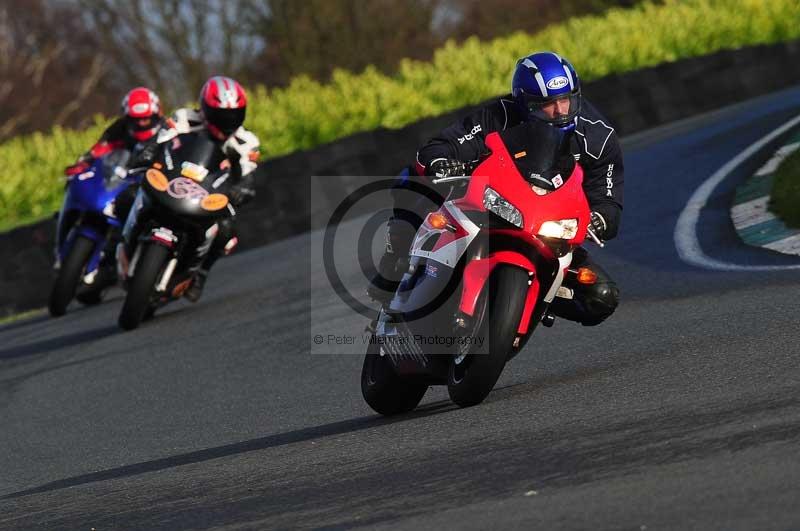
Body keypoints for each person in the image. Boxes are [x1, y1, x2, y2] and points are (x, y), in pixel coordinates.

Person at [369, 51, 622, 326]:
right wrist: (441, 162)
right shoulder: (496, 116)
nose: (560, 110)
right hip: (488, 208)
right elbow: (441, 146)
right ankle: (395, 261)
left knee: (601, 296)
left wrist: (601, 218)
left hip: (546, 228)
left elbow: (607, 194)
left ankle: (529, 305)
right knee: (412, 177)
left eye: (566, 99)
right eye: (547, 104)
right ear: (525, 102)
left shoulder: (598, 137)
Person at [126, 75, 260, 302]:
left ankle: (200, 274)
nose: (227, 121)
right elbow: (159, 141)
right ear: (205, 108)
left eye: (234, 114)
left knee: (226, 231)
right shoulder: (184, 118)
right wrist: (148, 154)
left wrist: (242, 189)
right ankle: (114, 249)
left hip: (210, 192)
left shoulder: (247, 141)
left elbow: (248, 175)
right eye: (221, 114)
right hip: (171, 179)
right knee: (124, 197)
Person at [56, 87, 163, 291]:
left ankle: (135, 256)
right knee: (74, 188)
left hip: (149, 183)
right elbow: (100, 150)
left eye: (146, 118)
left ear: (156, 114)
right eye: (136, 119)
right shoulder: (119, 129)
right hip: (121, 180)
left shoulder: (166, 130)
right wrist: (84, 163)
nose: (141, 123)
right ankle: (63, 250)